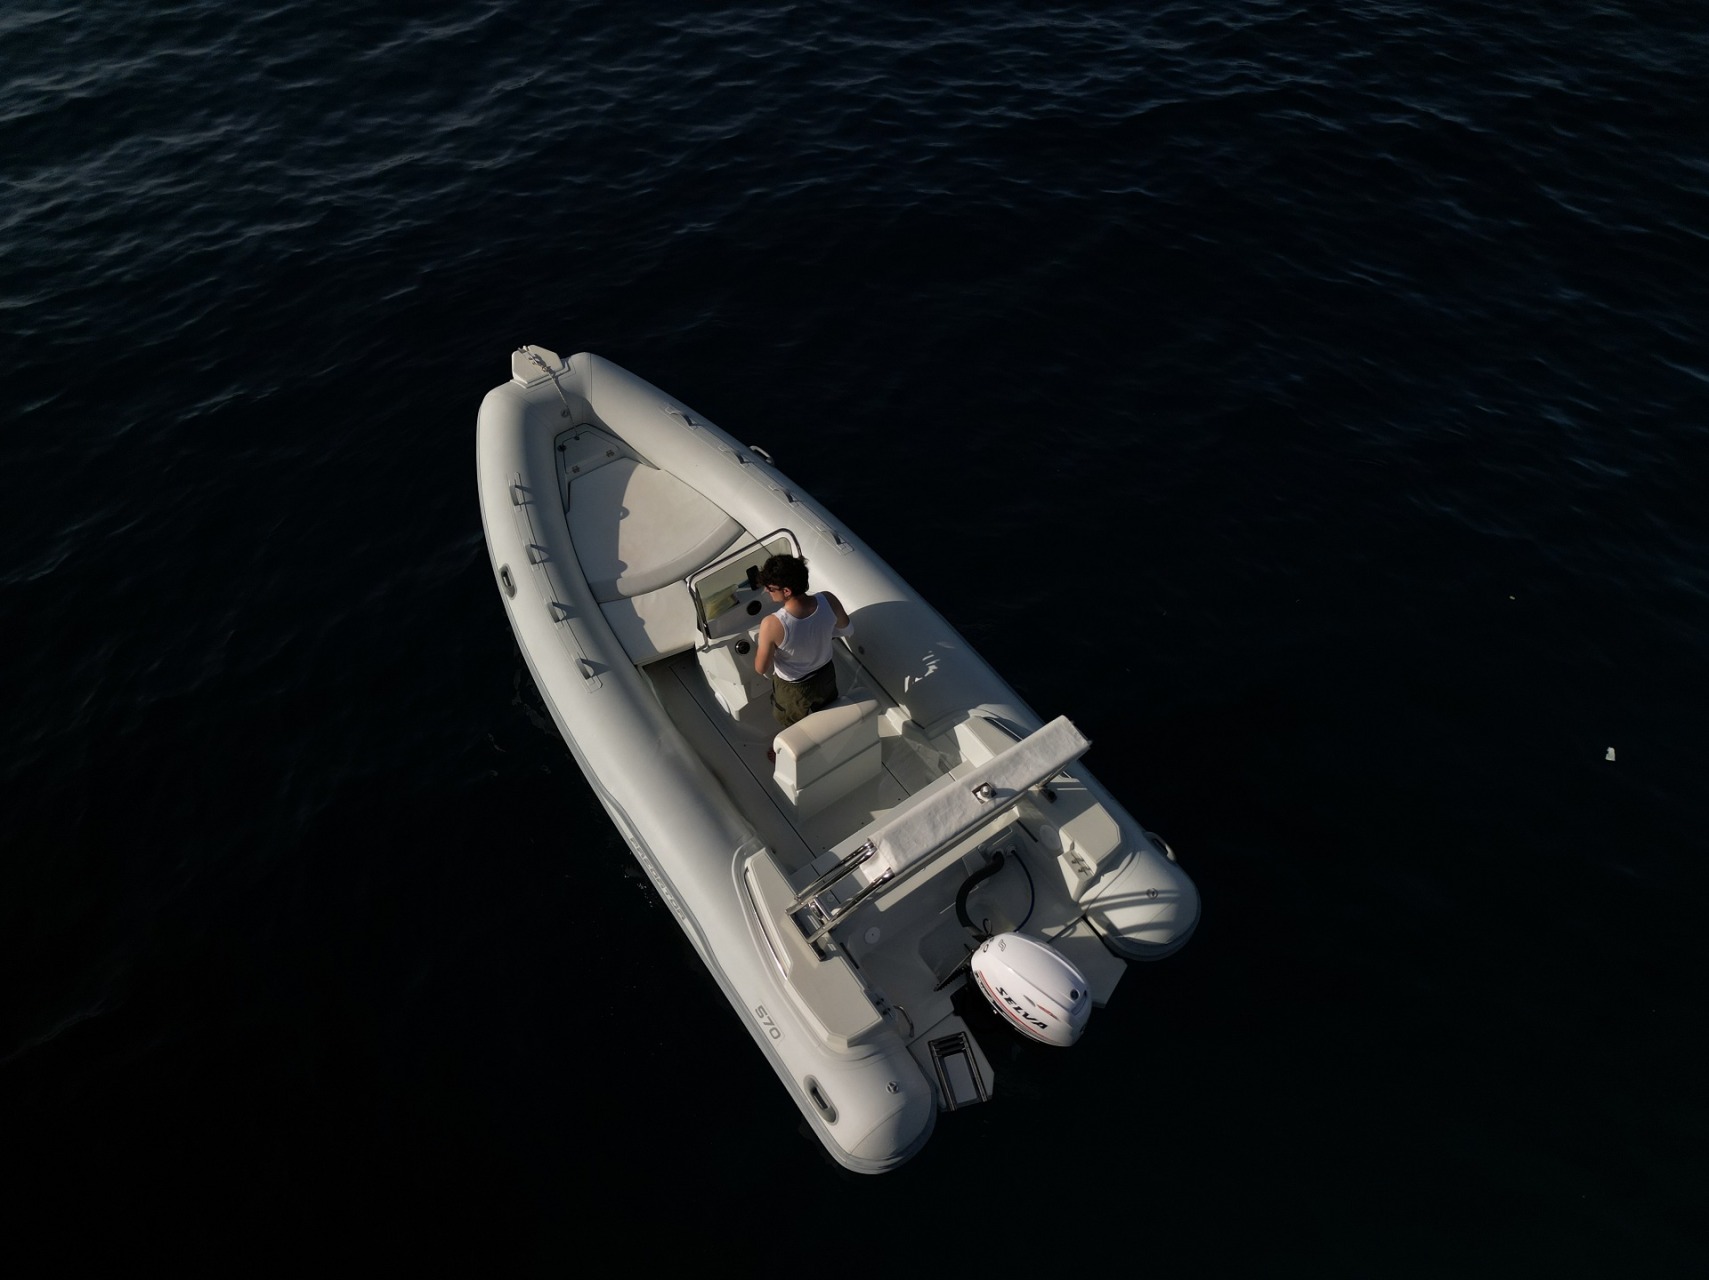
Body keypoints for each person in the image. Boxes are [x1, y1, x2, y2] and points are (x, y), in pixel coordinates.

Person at [752, 553, 850, 727]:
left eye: (770, 588)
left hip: (794, 688)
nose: (766, 590)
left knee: (791, 722)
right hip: (825, 675)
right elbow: (847, 629)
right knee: (828, 713)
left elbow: (761, 668)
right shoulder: (828, 599)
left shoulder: (771, 624)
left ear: (786, 591)